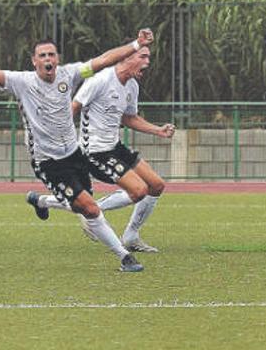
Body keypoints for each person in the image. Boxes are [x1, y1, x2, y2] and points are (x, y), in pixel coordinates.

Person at [0, 30, 154, 272]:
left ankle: (42, 201)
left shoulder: (69, 74)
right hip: (48, 161)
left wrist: (136, 44)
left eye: (51, 54)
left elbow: (104, 59)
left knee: (83, 205)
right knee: (90, 208)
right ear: (34, 61)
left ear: (57, 59)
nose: (48, 59)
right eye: (42, 55)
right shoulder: (22, 82)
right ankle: (124, 257)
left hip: (74, 154)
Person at [33, 42, 175, 253]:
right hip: (94, 151)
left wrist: (158, 130)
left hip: (114, 146)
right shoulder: (100, 80)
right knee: (138, 191)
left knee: (156, 185)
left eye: (148, 57)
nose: (147, 62)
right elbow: (73, 107)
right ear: (126, 57)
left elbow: (129, 118)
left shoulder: (132, 85)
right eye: (142, 56)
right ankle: (91, 211)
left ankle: (131, 235)